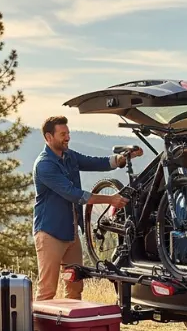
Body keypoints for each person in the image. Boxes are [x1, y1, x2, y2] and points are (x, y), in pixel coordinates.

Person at [33, 115, 143, 301]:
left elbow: (95, 162)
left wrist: (120, 159)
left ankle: (70, 329)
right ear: (48, 137)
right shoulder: (44, 165)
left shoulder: (69, 156)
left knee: (75, 287)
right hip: (50, 233)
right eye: (62, 134)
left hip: (71, 232)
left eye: (68, 133)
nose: (67, 137)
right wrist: (110, 199)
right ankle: (38, 330)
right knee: (47, 291)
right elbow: (74, 194)